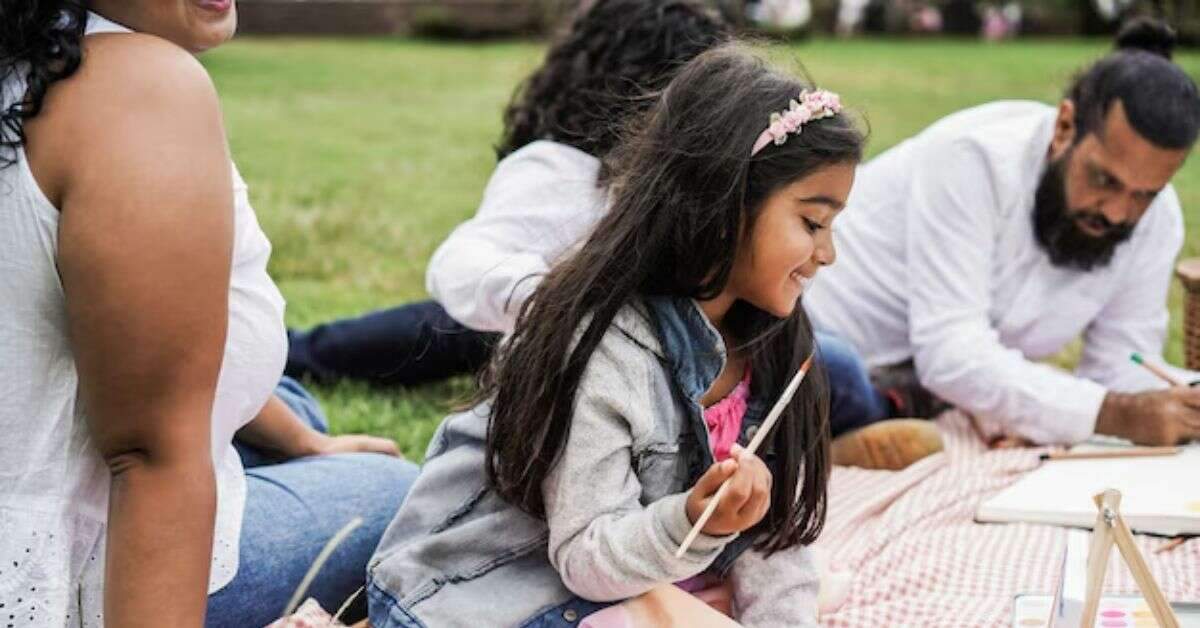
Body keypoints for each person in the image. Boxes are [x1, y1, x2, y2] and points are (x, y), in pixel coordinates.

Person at [367, 45, 865, 627]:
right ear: (725, 205)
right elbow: (587, 558)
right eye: (812, 223)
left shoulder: (771, 345)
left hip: (631, 578)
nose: (827, 253)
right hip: (476, 592)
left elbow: (772, 540)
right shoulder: (602, 350)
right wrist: (695, 522)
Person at [291, 0, 923, 453]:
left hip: (683, 357)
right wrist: (567, 303)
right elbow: (461, 265)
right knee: (439, 329)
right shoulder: (561, 172)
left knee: (826, 361)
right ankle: (297, 352)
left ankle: (847, 426)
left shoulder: (714, 199)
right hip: (554, 333)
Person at [0, 2, 416, 626]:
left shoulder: (27, 54)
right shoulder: (137, 89)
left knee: (294, 406)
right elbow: (148, 456)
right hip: (56, 579)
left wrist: (308, 444)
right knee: (397, 492)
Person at [802, 18, 1200, 446]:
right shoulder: (974, 159)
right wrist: (1114, 414)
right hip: (820, 339)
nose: (1119, 212)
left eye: (1144, 194)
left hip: (929, 387)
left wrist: (1184, 401)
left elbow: (1122, 365)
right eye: (1105, 180)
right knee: (832, 370)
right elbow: (951, 353)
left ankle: (879, 427)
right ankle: (865, 429)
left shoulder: (1157, 220)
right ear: (1065, 128)